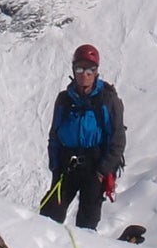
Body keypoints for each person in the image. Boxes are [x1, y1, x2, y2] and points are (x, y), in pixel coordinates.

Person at [41, 42, 125, 230]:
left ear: (96, 72)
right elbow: (54, 135)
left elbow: (118, 140)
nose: (84, 73)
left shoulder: (107, 100)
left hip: (95, 169)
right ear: (73, 69)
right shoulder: (64, 100)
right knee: (49, 215)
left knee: (87, 224)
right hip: (66, 167)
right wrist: (55, 167)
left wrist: (102, 171)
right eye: (80, 68)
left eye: (90, 69)